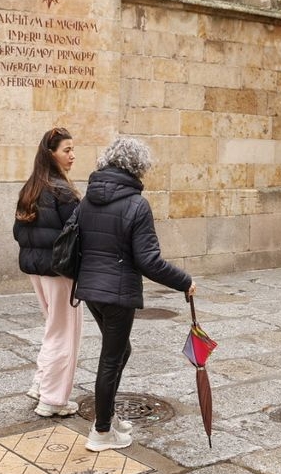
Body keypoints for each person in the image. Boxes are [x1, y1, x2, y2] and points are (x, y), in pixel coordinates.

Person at [75, 136, 195, 451]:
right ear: (138, 166)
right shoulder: (137, 204)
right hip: (117, 294)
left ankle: (108, 415)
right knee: (111, 358)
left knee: (121, 351)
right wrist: (184, 281)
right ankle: (101, 432)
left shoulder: (87, 200)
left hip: (91, 291)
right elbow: (149, 261)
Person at [13, 127, 83, 417]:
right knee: (65, 333)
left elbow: (19, 232)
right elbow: (78, 234)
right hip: (59, 270)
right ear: (51, 153)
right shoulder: (62, 192)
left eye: (72, 149)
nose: (72, 155)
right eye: (67, 150)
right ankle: (53, 400)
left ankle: (41, 384)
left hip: (37, 270)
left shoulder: (30, 188)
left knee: (54, 328)